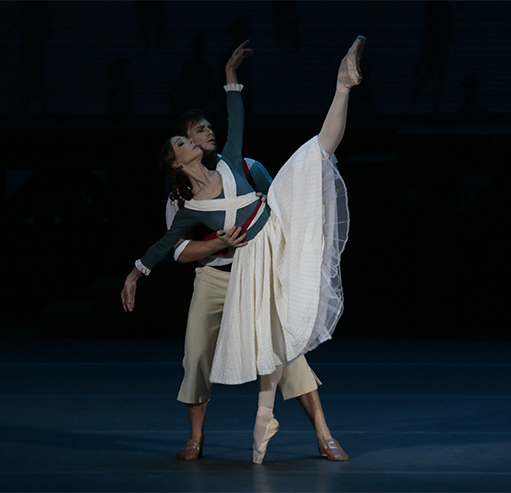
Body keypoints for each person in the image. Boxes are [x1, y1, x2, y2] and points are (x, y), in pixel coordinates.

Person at [122, 36, 364, 463]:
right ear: (176, 160)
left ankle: (343, 85)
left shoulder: (238, 162)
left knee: (315, 154)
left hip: (274, 244)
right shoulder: (185, 206)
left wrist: (231, 76)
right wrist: (136, 273)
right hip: (233, 271)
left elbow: (236, 118)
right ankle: (225, 430)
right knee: (210, 352)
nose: (202, 136)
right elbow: (167, 247)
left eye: (201, 133)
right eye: (189, 138)